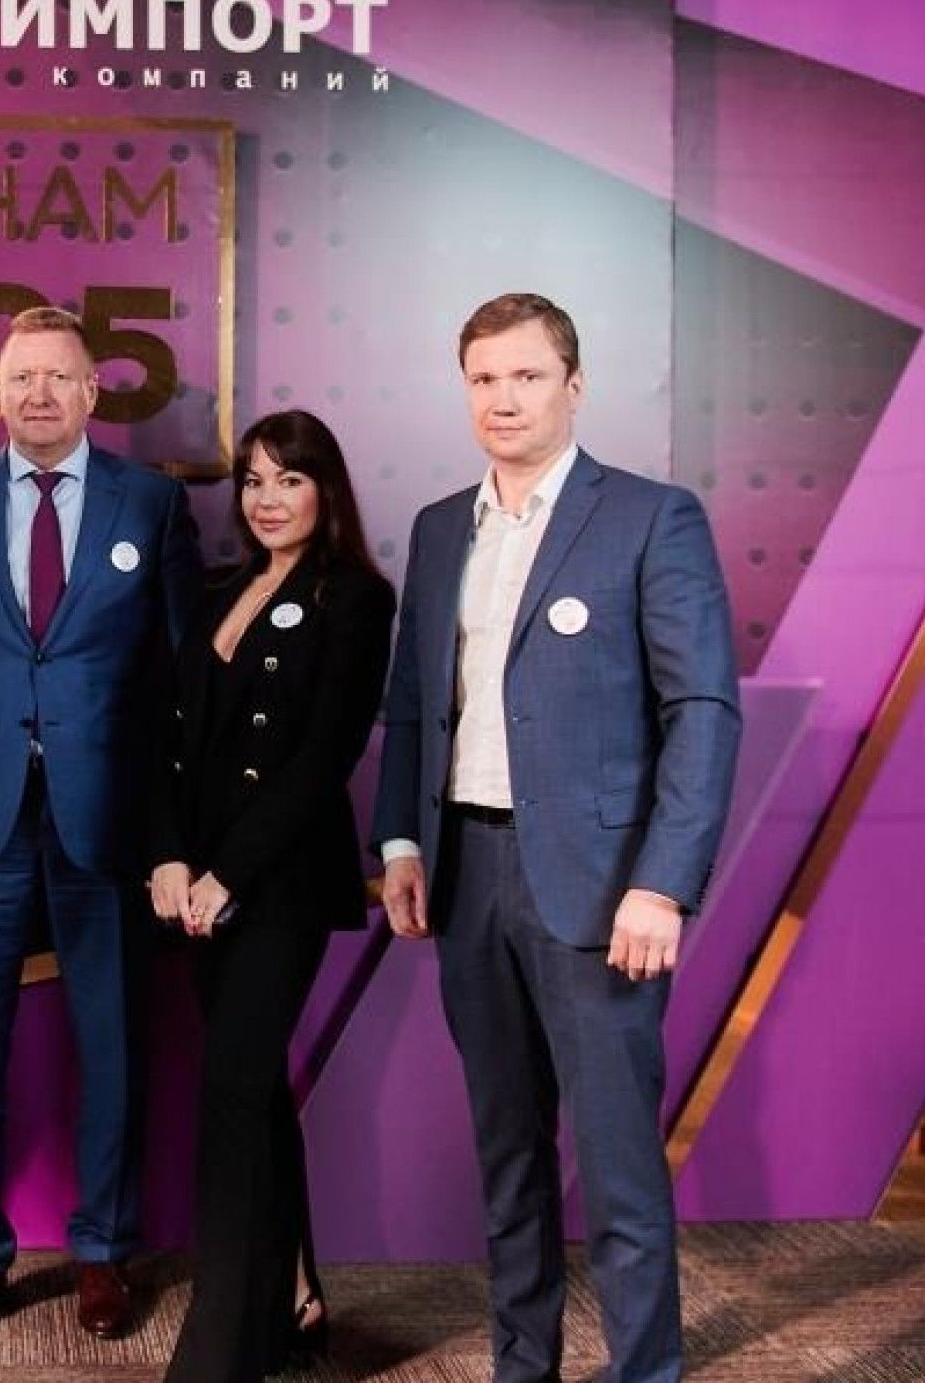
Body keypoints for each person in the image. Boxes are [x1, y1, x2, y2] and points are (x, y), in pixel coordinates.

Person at [372, 293, 741, 1383]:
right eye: (484, 379)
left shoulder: (651, 517)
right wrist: (401, 843)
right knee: (507, 1157)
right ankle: (521, 1365)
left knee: (619, 1166)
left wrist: (662, 883)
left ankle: (644, 1369)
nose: (504, 398)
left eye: (527, 376)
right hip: (467, 873)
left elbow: (702, 710)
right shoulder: (441, 527)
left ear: (574, 386)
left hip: (602, 889)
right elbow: (412, 705)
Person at [0, 305, 203, 1349]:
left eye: (59, 377)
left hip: (107, 818)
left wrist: (173, 834)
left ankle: (103, 1251)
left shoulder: (152, 503)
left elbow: (180, 679)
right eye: (21, 377)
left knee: (111, 1044)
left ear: (93, 392)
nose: (39, 394)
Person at [151, 411, 395, 1382]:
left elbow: (323, 755)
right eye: (253, 480)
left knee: (232, 1096)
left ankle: (222, 1349)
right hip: (195, 884)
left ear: (325, 489)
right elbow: (165, 736)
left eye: (289, 479)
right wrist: (169, 858)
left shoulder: (355, 598)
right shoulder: (217, 587)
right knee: (251, 1096)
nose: (267, 498)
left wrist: (228, 875)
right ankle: (294, 1289)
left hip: (278, 883)